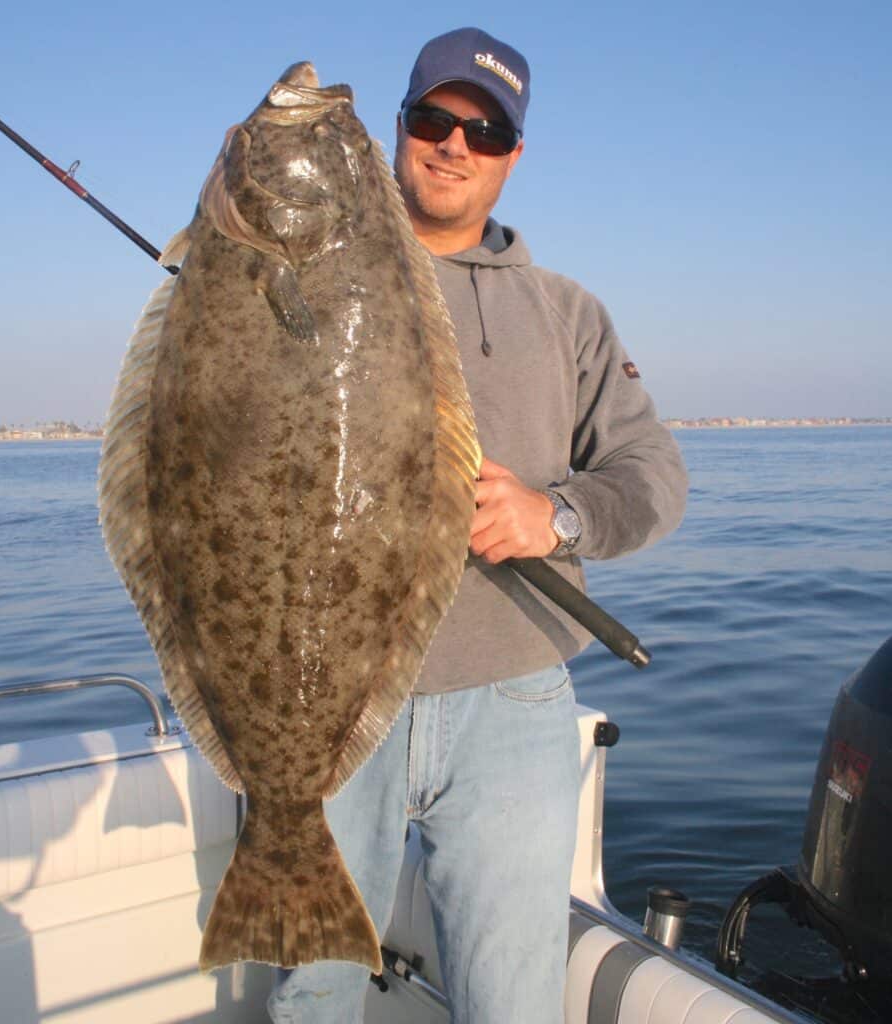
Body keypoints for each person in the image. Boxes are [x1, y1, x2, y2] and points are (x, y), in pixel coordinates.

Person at [268, 26, 688, 1024]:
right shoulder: (307, 280)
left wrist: (559, 516)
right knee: (312, 990)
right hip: (329, 691)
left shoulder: (565, 313)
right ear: (394, 133)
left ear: (513, 155)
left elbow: (653, 473)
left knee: (511, 1000)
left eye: (485, 130)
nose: (456, 144)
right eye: (433, 119)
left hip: (513, 698)